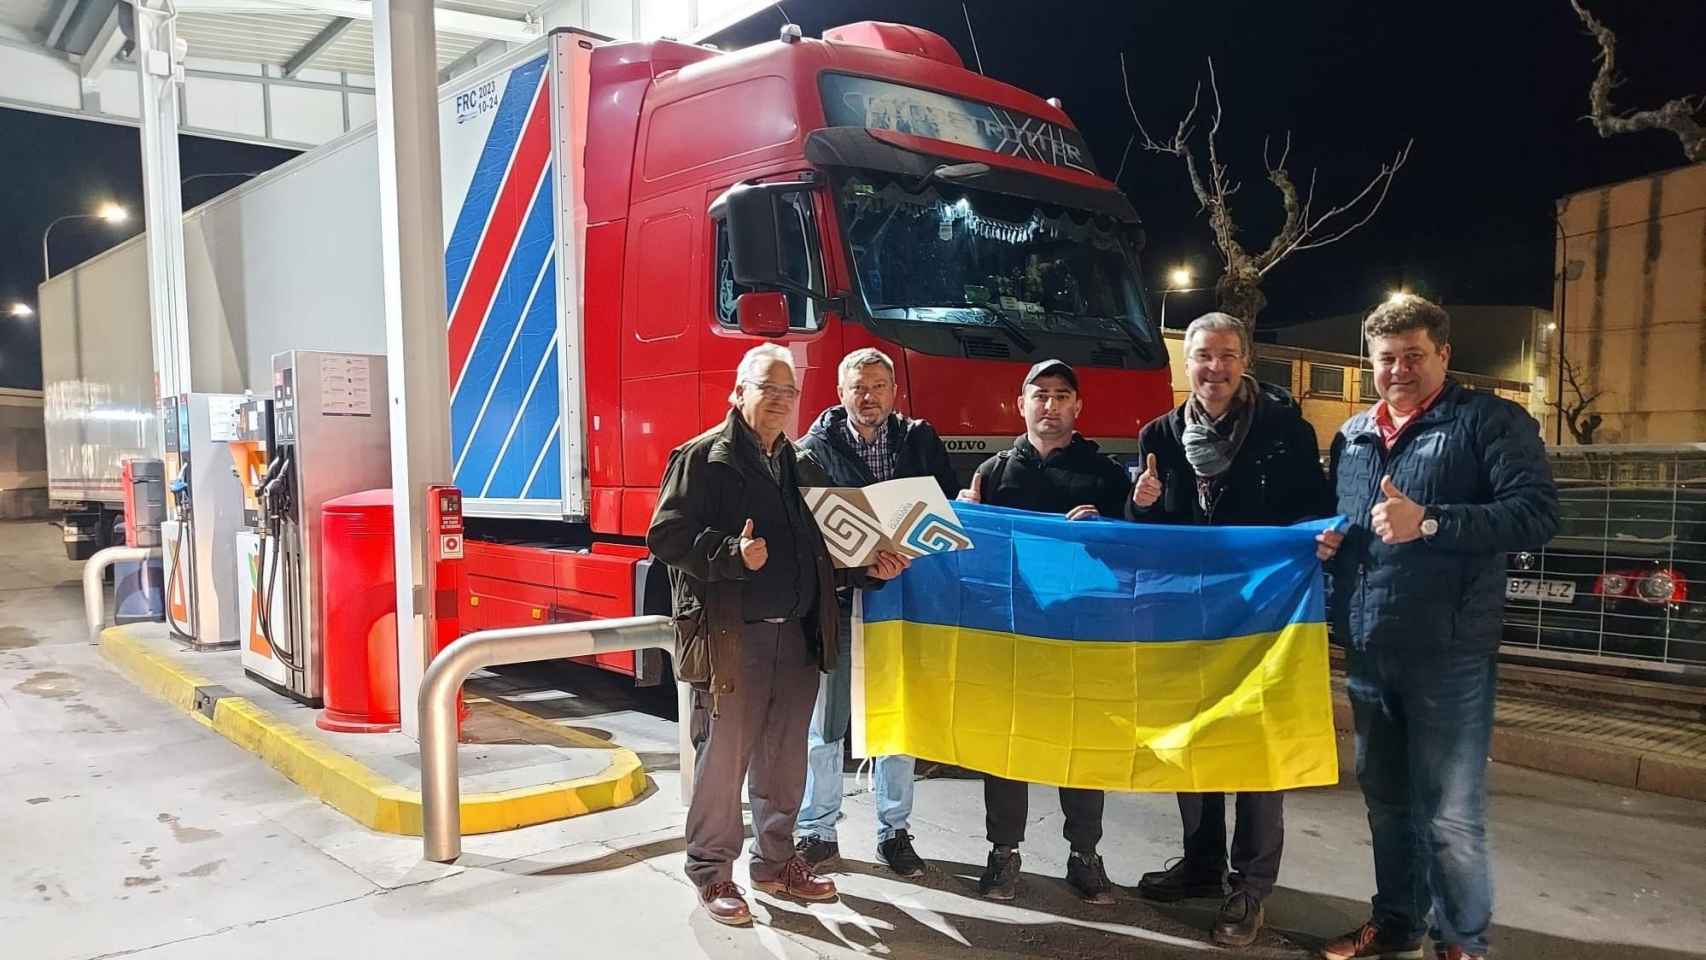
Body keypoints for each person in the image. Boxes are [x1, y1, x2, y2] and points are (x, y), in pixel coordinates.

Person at [1315, 295, 1558, 960]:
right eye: (1387, 359)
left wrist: (1432, 521)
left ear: (1444, 356)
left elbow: (1536, 515)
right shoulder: (1354, 435)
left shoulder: (1490, 422)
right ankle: (1397, 924)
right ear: (1371, 363)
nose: (1399, 370)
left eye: (1413, 356)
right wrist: (1335, 547)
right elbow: (1357, 528)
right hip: (1368, 647)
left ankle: (1463, 944)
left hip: (1449, 651)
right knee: (1387, 804)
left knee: (1450, 816)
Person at [646, 343, 909, 928]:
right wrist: (728, 554)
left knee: (785, 760)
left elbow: (827, 547)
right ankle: (713, 872)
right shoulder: (702, 458)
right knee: (723, 761)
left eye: (789, 392)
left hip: (798, 636)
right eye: (768, 388)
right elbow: (665, 538)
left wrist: (869, 566)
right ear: (739, 392)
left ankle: (775, 863)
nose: (780, 401)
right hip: (731, 638)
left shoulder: (801, 463)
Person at [1127, 312, 1336, 948]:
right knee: (1193, 742)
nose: (1212, 368)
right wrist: (1137, 507)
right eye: (1201, 356)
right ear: (1185, 364)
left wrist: (1319, 540)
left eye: (1224, 355)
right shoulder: (1158, 434)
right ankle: (1200, 863)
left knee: (1256, 750)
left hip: (1264, 619)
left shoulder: (1284, 430)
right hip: (1190, 619)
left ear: (1245, 360)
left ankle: (1250, 887)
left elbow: (1313, 512)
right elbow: (1150, 535)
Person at [957, 358, 1133, 904]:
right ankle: (1003, 854)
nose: (1050, 405)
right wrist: (965, 518)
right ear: (1021, 403)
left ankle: (1085, 855)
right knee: (1006, 744)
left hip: (1081, 633)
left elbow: (1132, 554)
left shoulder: (1106, 475)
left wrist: (1109, 528)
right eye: (1041, 395)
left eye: (1061, 395)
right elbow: (972, 559)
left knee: (1081, 745)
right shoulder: (992, 472)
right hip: (1011, 634)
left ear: (1077, 406)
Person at [792, 347, 958, 879]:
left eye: (879, 386)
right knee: (827, 723)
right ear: (840, 393)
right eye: (858, 387)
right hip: (839, 602)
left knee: (898, 721)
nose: (869, 397)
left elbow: (948, 510)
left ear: (894, 392)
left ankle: (895, 830)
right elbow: (807, 534)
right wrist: (860, 564)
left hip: (904, 602)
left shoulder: (920, 440)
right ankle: (817, 830)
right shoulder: (811, 451)